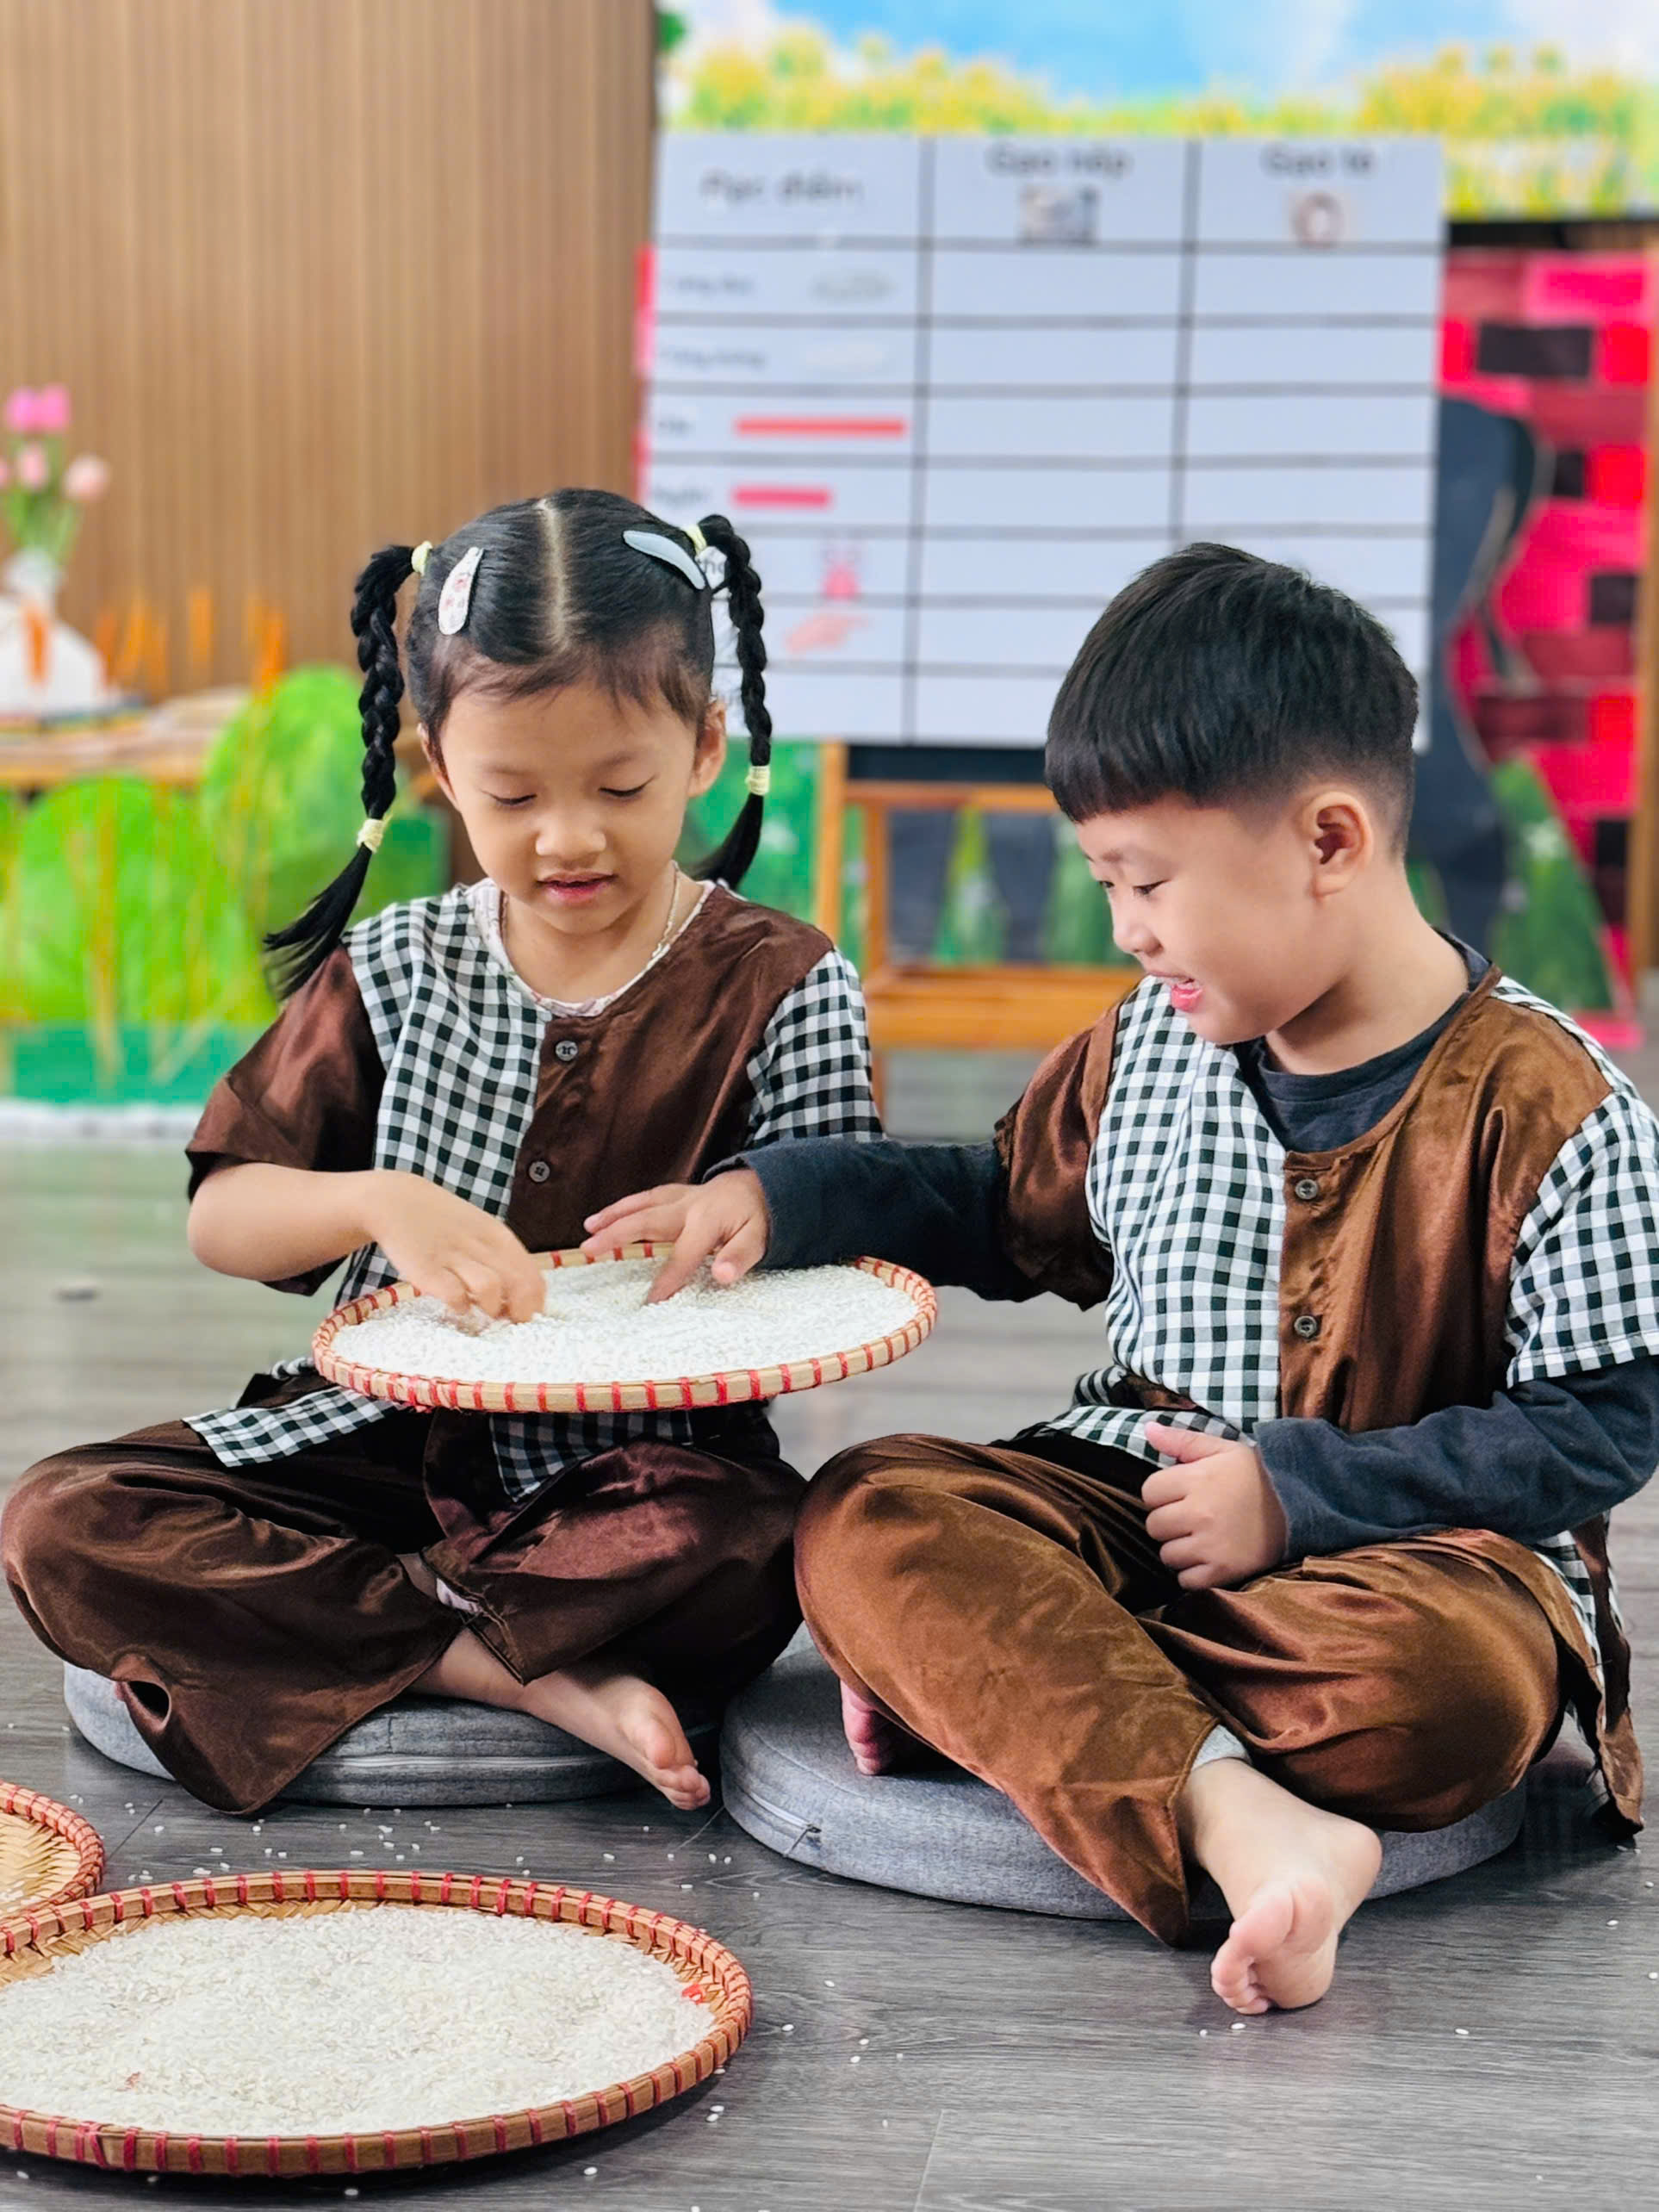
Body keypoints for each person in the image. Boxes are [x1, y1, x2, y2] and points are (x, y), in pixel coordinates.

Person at [584, 544, 1659, 2011]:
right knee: (866, 1515)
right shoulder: (1148, 1039)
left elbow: (1599, 1427)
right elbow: (1002, 1209)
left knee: (1451, 1697)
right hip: (1130, 1495)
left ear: (1328, 841)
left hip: (1415, 1562)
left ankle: (1024, 1692)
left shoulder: (1559, 1109)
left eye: (1145, 882)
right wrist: (782, 1191)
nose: (1124, 931)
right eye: (1104, 883)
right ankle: (1236, 1809)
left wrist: (1298, 1495)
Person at [3, 488, 879, 1817]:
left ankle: (361, 1633)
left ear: (704, 746)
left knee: (752, 1549)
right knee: (63, 1522)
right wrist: (375, 1201)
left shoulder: (784, 982)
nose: (567, 836)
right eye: (511, 794)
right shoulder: (398, 964)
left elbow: (848, 1251)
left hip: (635, 1480)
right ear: (438, 766)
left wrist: (745, 1218)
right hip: (374, 1447)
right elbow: (224, 1217)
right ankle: (511, 1669)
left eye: (620, 787)